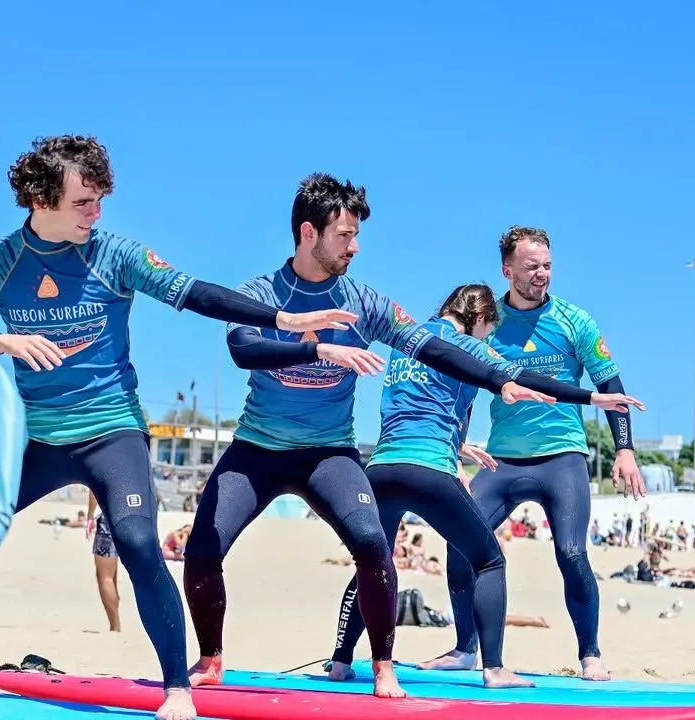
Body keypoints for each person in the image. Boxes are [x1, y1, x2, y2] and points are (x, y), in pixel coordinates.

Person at [0, 136, 359, 720]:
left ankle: (177, 687)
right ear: (40, 199)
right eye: (84, 202)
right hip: (39, 437)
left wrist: (278, 317)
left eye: (100, 200)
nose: (96, 214)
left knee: (137, 542)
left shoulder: (113, 253)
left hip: (111, 432)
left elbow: (195, 292)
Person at [182, 172, 623, 699]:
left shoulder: (366, 301)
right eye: (345, 236)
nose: (355, 246)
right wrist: (317, 348)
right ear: (308, 233)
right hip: (258, 447)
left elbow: (434, 348)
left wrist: (501, 380)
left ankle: (381, 666)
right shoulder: (259, 293)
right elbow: (242, 349)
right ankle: (210, 659)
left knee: (373, 545)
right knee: (204, 548)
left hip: (330, 453)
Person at [323, 283, 642, 688]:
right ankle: (493, 668)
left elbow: (419, 405)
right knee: (488, 560)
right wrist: (591, 399)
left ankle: (339, 662)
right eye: (488, 329)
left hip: (382, 467)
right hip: (429, 470)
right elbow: (522, 375)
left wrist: (458, 445)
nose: (488, 338)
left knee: (374, 564)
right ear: (478, 319)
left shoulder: (405, 343)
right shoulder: (467, 346)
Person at [426, 226, 648, 682]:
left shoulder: (575, 321)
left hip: (562, 456)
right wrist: (454, 446)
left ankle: (590, 654)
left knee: (570, 552)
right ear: (507, 270)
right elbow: (464, 383)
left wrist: (625, 449)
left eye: (547, 265)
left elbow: (610, 385)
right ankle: (465, 648)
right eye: (531, 267)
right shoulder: (490, 323)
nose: (541, 274)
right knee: (459, 541)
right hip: (502, 458)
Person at [86, 493, 121, 632]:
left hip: (109, 518)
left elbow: (94, 491)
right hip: (132, 516)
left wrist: (90, 516)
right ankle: (116, 623)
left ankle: (115, 626)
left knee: (105, 577)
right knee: (112, 576)